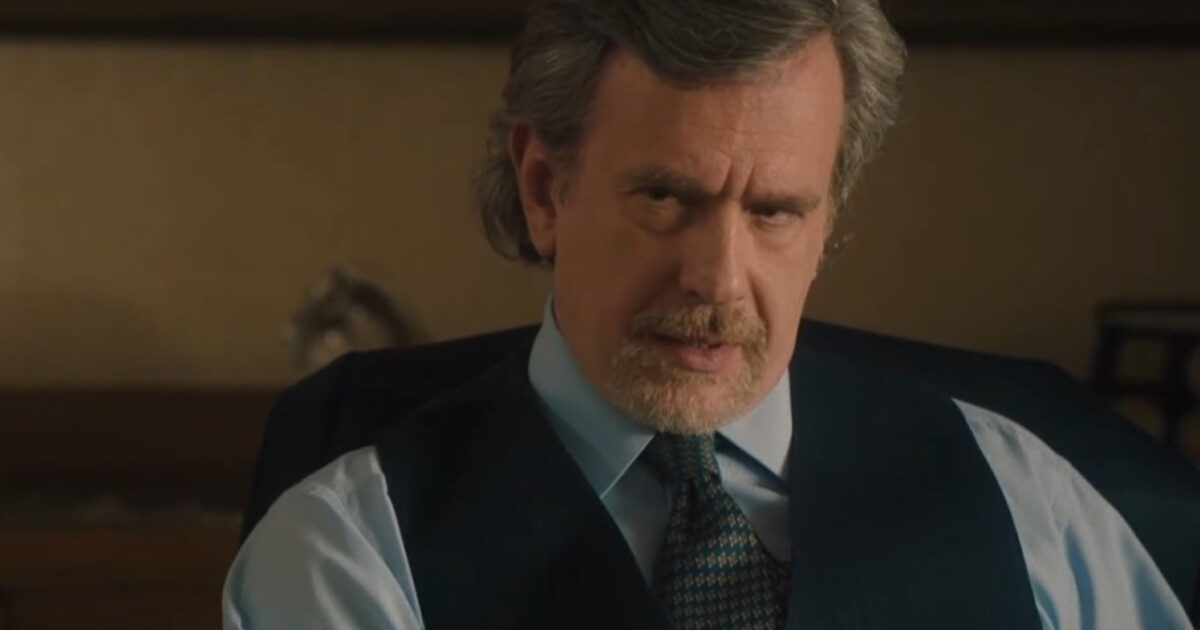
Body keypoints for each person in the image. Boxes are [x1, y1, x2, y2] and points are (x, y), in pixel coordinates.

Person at [222, 1, 1196, 628]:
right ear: (545, 188)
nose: (719, 281)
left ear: (828, 219)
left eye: (775, 212)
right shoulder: (351, 554)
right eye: (665, 198)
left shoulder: (1027, 498)